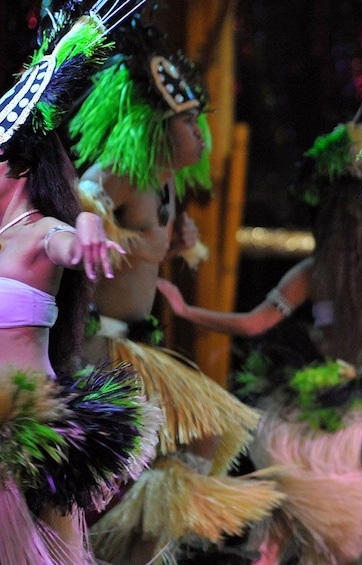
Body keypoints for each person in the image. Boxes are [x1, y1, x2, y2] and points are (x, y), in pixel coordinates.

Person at [155, 118, 362, 563]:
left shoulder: (317, 271)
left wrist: (187, 311)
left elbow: (253, 323)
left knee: (285, 455)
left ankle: (287, 547)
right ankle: (285, 547)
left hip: (350, 399)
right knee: (295, 470)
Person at [66, 14, 282, 564]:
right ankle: (90, 548)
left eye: (198, 119)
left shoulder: (163, 183)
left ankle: (129, 553)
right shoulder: (123, 170)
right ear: (159, 128)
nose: (200, 133)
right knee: (106, 474)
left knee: (202, 438)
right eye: (189, 122)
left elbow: (156, 249)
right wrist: (128, 241)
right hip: (99, 349)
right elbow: (78, 203)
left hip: (139, 348)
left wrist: (178, 239)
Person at [0, 4, 159, 564]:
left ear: (16, 168)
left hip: (36, 427)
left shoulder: (44, 234)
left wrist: (90, 228)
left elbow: (77, 233)